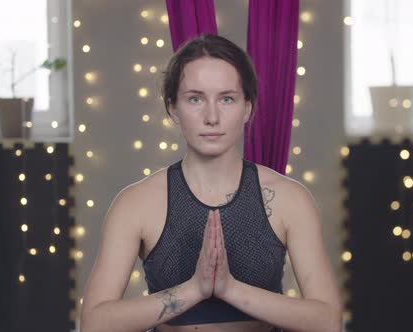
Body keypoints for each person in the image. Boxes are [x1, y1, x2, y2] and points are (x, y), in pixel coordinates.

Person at [80, 34, 342, 332]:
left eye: (227, 99)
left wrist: (230, 289)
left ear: (248, 108)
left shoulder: (289, 198)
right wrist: (195, 289)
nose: (212, 116)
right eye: (195, 99)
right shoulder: (136, 203)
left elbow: (328, 320)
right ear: (173, 108)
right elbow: (94, 323)